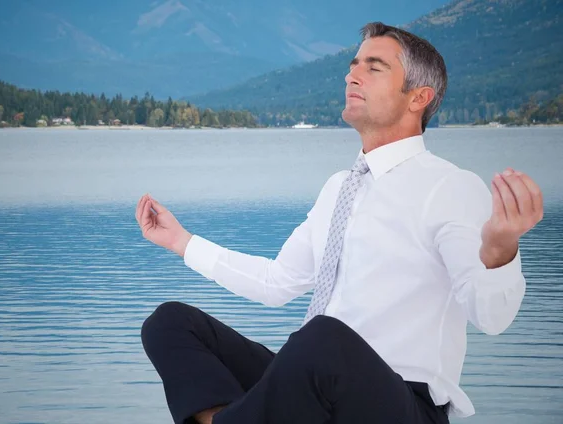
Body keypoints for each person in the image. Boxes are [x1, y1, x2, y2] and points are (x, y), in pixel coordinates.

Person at [136, 22, 543, 424]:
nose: (352, 74)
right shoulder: (338, 188)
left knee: (321, 338)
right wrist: (181, 241)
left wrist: (498, 250)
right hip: (318, 382)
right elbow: (277, 282)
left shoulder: (450, 186)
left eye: (374, 66)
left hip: (402, 405)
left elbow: (492, 318)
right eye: (354, 64)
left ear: (419, 97)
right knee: (171, 323)